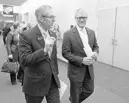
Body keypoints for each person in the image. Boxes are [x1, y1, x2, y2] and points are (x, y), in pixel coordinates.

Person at [19, 5, 60, 103]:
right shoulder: (26, 35)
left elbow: (53, 58)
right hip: (35, 83)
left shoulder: (53, 34)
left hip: (52, 82)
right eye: (51, 17)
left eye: (54, 17)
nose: (54, 20)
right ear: (41, 18)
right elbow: (24, 60)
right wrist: (44, 51)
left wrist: (56, 74)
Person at [62, 8, 99, 103]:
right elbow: (65, 53)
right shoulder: (68, 34)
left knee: (89, 90)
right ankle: (74, 100)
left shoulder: (91, 32)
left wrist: (95, 53)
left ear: (87, 18)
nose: (82, 20)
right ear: (75, 18)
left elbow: (96, 46)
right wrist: (81, 60)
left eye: (84, 17)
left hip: (89, 69)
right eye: (79, 18)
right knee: (75, 94)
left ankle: (74, 100)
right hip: (75, 70)